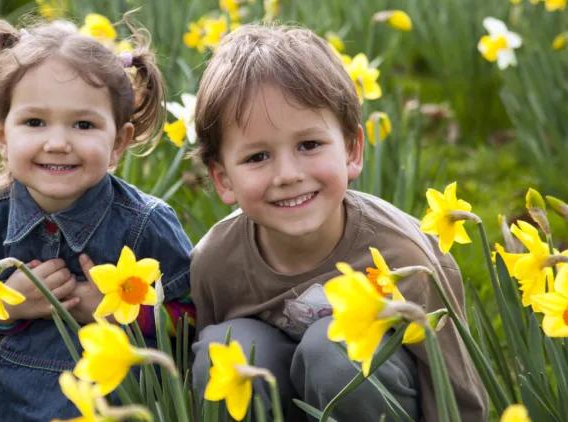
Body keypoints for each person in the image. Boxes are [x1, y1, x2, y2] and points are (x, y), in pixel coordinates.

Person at [189, 24, 487, 422]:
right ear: (223, 178)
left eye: (309, 145)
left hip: (368, 398)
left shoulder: (401, 254)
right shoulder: (215, 262)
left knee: (333, 350)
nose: (288, 174)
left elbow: (453, 385)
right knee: (225, 350)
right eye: (258, 156)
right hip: (279, 392)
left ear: (351, 150)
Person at [0, 18, 194, 421]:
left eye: (83, 124)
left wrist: (117, 311)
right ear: (1, 136)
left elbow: (190, 320)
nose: (58, 143)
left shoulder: (146, 225)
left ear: (118, 142)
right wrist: (8, 305)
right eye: (35, 122)